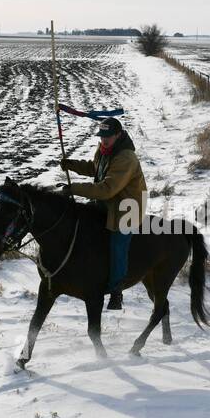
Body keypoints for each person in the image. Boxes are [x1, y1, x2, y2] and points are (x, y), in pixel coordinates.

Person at [61, 117, 148, 310]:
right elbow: (95, 169)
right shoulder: (103, 151)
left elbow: (107, 188)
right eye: (102, 136)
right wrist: (71, 165)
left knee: (118, 244)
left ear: (118, 135)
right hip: (107, 202)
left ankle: (116, 290)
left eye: (108, 136)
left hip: (126, 209)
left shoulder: (126, 157)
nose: (104, 140)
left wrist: (74, 188)